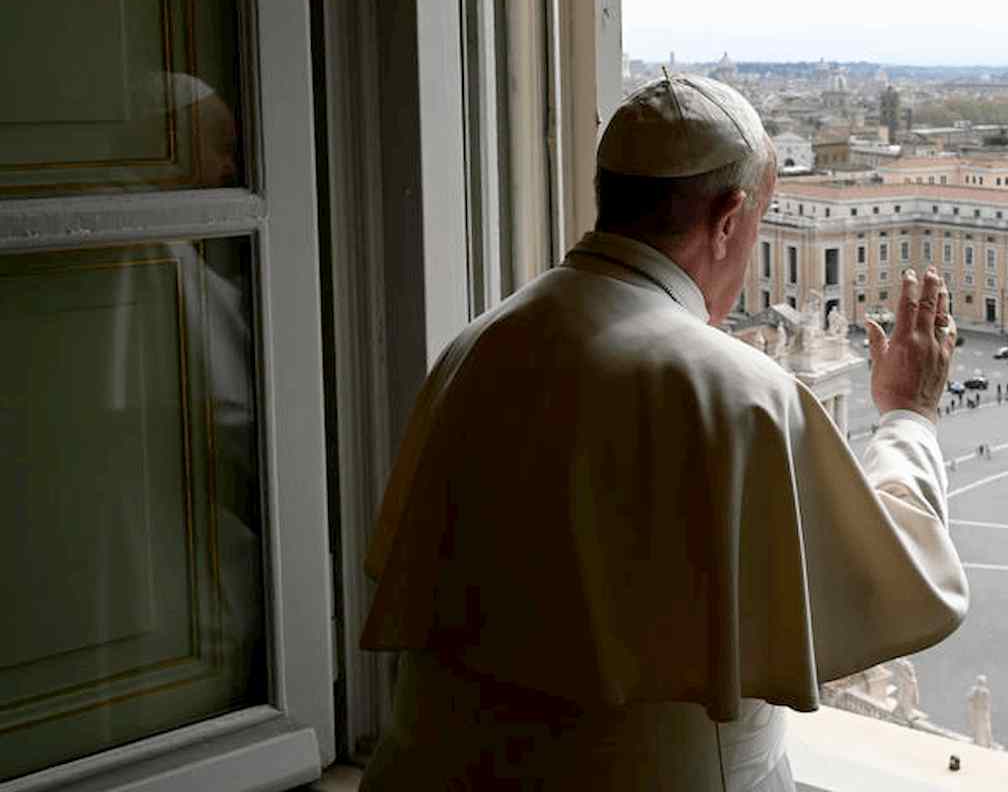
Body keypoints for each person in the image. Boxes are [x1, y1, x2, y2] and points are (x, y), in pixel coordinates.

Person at [358, 74, 968, 790]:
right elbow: (905, 578)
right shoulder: (739, 394)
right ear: (730, 218)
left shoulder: (474, 348)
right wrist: (908, 413)